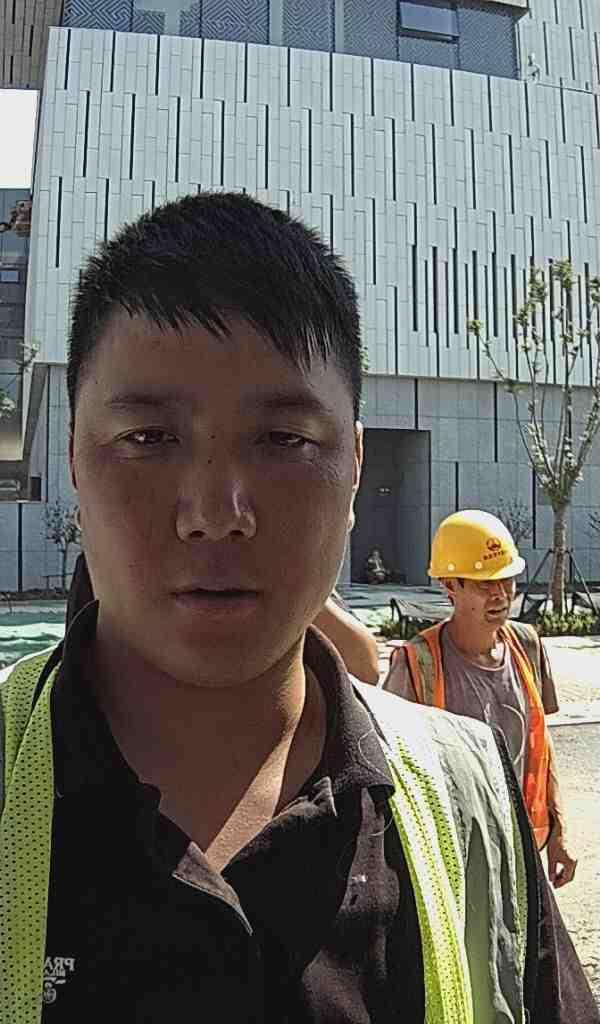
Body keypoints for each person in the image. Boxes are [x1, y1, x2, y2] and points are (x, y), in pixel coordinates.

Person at [1, 194, 598, 1023]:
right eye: (149, 438)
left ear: (354, 466)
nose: (216, 513)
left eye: (283, 440)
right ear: (73, 455)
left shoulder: (468, 795)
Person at [383, 509, 577, 889]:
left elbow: (542, 748)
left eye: (506, 580)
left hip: (522, 848)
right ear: (449, 585)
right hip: (453, 859)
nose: (500, 595)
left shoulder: (527, 647)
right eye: (484, 584)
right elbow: (393, 771)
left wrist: (559, 831)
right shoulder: (416, 664)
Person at [67, 558, 381, 684]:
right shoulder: (106, 571)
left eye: (283, 442)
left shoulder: (301, 580)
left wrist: (299, 582)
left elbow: (364, 669)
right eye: (150, 441)